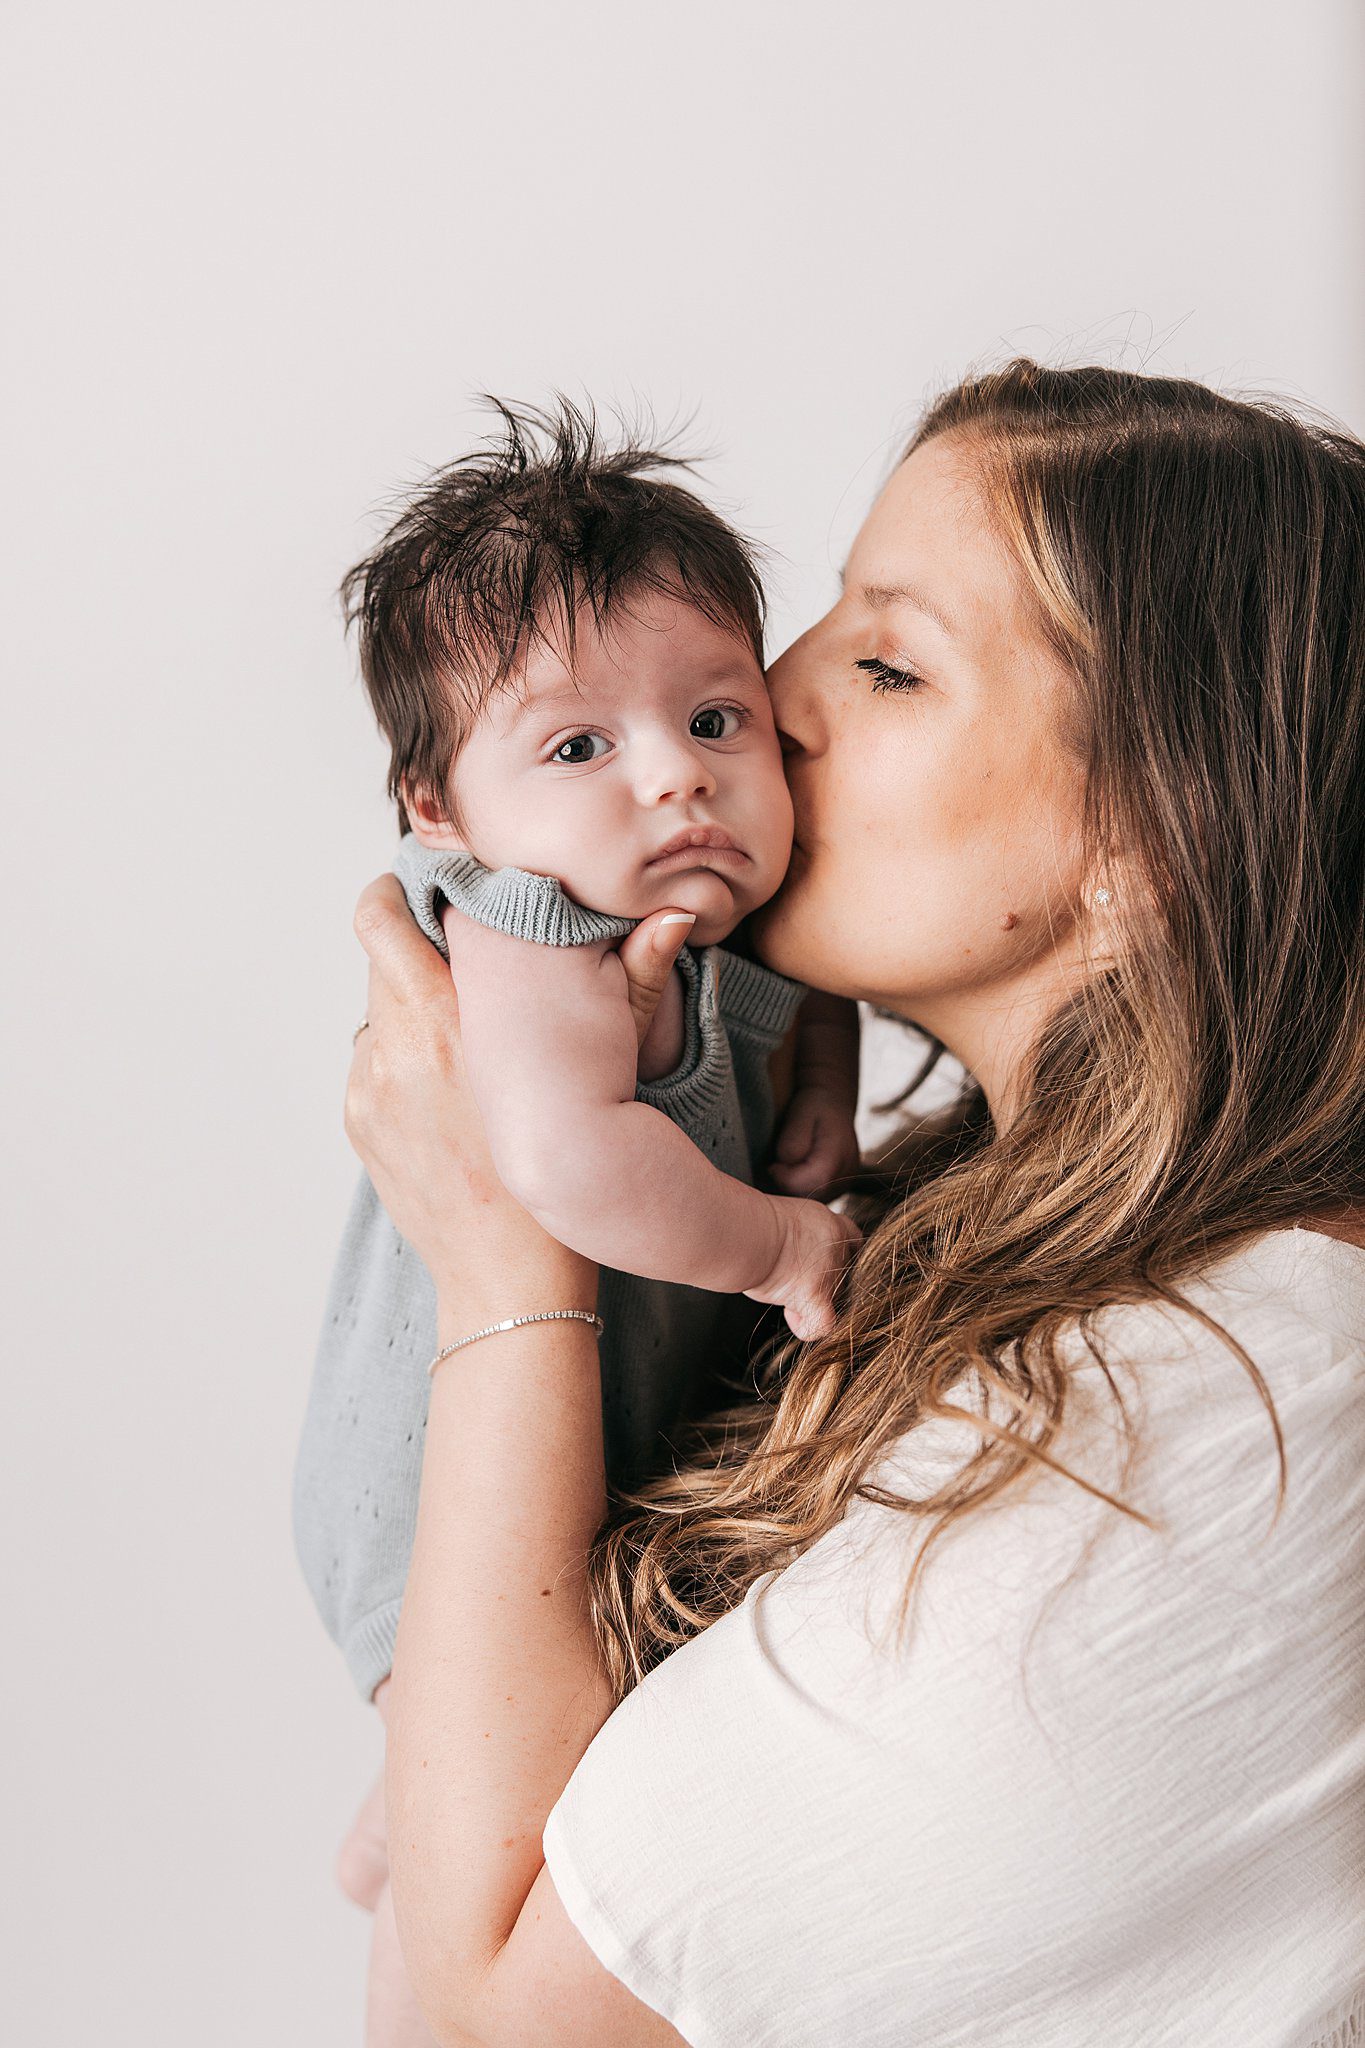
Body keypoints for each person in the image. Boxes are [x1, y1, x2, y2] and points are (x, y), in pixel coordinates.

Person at [340, 358, 1365, 2047]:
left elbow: (487, 2030)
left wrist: (503, 1255)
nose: (769, 696)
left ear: (1155, 836)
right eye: (819, 621)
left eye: (888, 662)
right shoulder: (990, 1246)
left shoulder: (1224, 1417)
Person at [293, 400, 862, 2045]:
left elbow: (801, 982)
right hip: (432, 1463)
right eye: (577, 747)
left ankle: (400, 1809)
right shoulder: (525, 933)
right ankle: (412, 1956)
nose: (676, 773)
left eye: (713, 714)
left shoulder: (700, 900)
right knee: (493, 1824)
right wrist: (778, 1246)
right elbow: (556, 1157)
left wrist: (816, 1070)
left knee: (536, 1749)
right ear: (438, 810)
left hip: (595, 1424)